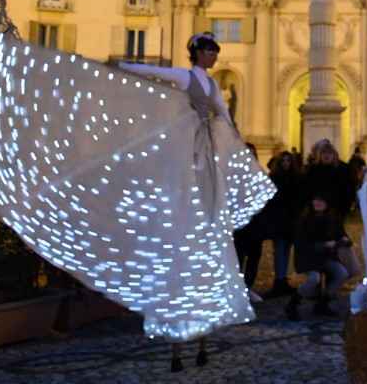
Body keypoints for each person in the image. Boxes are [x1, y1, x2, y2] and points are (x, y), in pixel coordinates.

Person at [112, 32, 276, 372]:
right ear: (198, 53)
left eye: (216, 52)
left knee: (206, 195)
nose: (214, 56)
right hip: (188, 149)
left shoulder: (214, 87)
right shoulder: (186, 77)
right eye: (210, 51)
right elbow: (154, 74)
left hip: (206, 153)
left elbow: (226, 119)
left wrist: (236, 150)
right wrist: (123, 65)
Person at [286, 195, 351, 320]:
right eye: (315, 200)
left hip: (326, 257)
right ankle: (293, 304)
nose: (318, 203)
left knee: (342, 273)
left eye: (321, 200)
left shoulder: (332, 219)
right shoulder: (304, 220)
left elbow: (342, 236)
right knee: (314, 279)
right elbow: (301, 244)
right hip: (308, 258)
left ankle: (323, 303)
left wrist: (343, 241)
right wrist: (323, 245)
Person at [263, 151, 304, 298]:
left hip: (291, 220)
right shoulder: (274, 178)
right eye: (283, 161)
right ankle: (279, 280)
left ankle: (283, 279)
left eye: (288, 161)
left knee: (286, 251)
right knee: (280, 250)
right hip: (279, 220)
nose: (286, 163)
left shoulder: (297, 178)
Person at [233, 142, 268, 304]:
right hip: (239, 224)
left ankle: (248, 287)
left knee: (254, 258)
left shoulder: (260, 174)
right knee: (238, 259)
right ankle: (239, 289)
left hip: (256, 224)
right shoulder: (233, 173)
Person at [303, 141, 356, 218]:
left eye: (329, 153)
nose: (326, 155)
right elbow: (307, 187)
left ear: (334, 155)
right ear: (319, 155)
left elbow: (349, 188)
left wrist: (346, 206)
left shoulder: (343, 169)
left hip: (337, 208)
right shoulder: (313, 169)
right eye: (324, 153)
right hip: (316, 208)